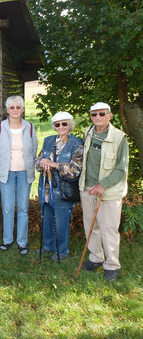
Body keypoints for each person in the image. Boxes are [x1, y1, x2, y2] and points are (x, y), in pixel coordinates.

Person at [79, 102, 129, 282]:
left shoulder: (119, 137)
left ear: (110, 115)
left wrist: (103, 185)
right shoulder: (88, 132)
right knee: (91, 226)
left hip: (108, 192)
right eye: (94, 114)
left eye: (101, 114)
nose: (97, 117)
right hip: (87, 188)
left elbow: (121, 169)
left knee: (108, 229)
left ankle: (112, 265)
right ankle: (96, 258)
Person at [0, 95, 38, 255]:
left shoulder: (30, 127)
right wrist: (5, 167)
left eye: (18, 107)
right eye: (12, 107)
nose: (15, 110)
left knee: (24, 208)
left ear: (23, 109)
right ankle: (7, 240)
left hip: (25, 172)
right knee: (7, 208)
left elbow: (33, 150)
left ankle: (22, 242)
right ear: (7, 110)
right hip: (6, 173)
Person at [35, 111, 83, 261]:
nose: (61, 127)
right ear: (54, 126)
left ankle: (62, 250)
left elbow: (75, 171)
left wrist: (54, 165)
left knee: (61, 221)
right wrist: (41, 163)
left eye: (64, 123)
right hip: (46, 188)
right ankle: (48, 246)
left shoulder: (77, 143)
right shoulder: (48, 140)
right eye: (58, 124)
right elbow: (37, 162)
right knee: (47, 218)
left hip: (63, 190)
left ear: (70, 125)